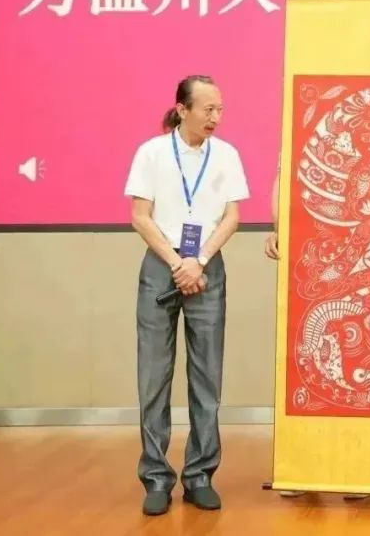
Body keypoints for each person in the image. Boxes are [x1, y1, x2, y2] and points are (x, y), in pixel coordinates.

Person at [124, 74, 250, 516]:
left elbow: (232, 216)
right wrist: (178, 262)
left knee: (207, 376)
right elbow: (140, 216)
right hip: (161, 266)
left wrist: (199, 260)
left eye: (220, 109)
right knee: (153, 376)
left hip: (207, 267)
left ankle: (199, 476)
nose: (216, 117)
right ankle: (156, 478)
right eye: (208, 109)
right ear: (182, 109)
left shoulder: (226, 154)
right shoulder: (152, 152)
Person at [264, 162, 370, 503]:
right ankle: (302, 469)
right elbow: (283, 181)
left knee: (356, 370)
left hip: (360, 264)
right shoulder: (309, 138)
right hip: (312, 262)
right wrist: (281, 230)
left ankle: (357, 470)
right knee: (309, 369)